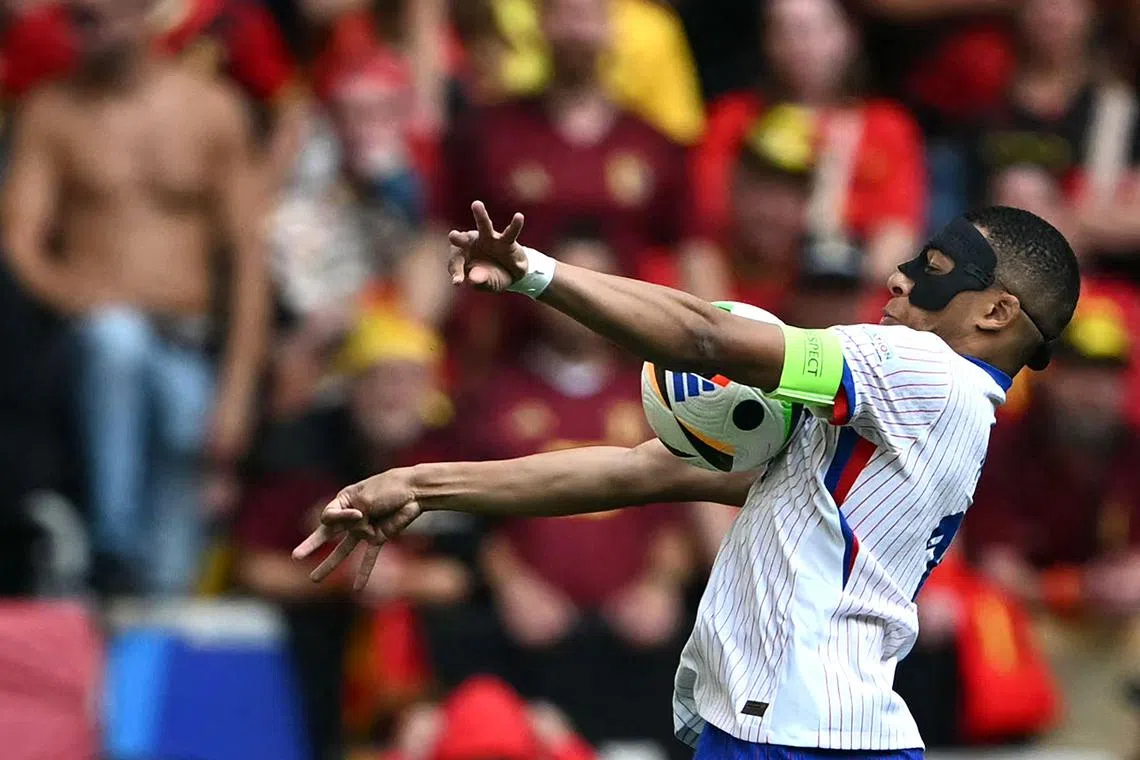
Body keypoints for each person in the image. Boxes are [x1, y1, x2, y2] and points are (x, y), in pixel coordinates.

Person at [296, 200, 1081, 759]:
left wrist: (534, 272)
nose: (901, 277)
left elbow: (704, 337)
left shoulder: (924, 374)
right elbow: (640, 470)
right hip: (794, 728)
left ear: (994, 313)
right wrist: (418, 486)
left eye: (935, 269)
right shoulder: (890, 425)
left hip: (801, 735)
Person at [1, 0, 269, 593]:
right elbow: (20, 242)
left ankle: (155, 586)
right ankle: (111, 545)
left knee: (175, 530)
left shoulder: (211, 109)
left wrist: (237, 392)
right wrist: (78, 297)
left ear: (144, 14)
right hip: (92, 339)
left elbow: (248, 261)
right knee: (116, 343)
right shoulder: (53, 112)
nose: (80, 31)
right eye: (75, 18)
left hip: (186, 341)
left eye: (96, 17)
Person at [465, 227, 694, 753]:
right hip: (531, 642)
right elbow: (478, 518)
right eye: (568, 278)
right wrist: (512, 586)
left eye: (595, 279)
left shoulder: (654, 392)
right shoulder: (497, 395)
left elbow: (677, 513)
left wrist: (661, 585)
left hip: (635, 645)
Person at [966, 296, 1140, 756]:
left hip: (1115, 621)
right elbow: (997, 567)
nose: (1093, 391)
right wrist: (1074, 590)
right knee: (986, 618)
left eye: (1106, 376)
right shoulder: (1009, 446)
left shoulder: (1132, 451)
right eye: (1080, 373)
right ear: (1054, 377)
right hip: (1028, 617)